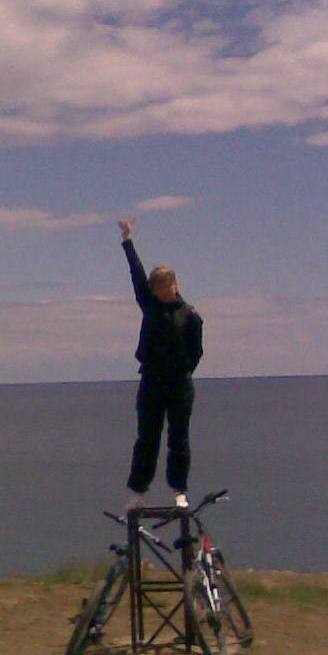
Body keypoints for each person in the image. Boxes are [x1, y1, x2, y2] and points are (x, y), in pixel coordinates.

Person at [118, 218, 203, 511]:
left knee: (178, 439)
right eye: (157, 289)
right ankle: (138, 492)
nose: (162, 293)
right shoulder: (150, 305)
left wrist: (181, 371)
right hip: (151, 383)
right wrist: (127, 240)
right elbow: (136, 273)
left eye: (166, 288)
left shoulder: (190, 316)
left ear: (175, 285)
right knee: (147, 439)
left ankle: (179, 491)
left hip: (179, 385)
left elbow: (196, 352)